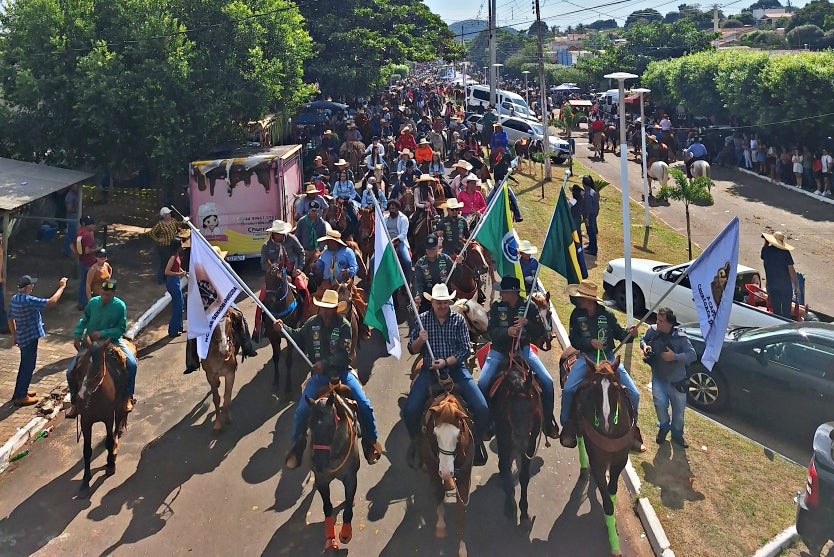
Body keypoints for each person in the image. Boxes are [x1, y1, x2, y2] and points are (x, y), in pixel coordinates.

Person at [274, 289, 382, 468]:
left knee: (364, 405)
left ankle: (370, 443)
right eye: (323, 307)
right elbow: (298, 338)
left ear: (335, 309)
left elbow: (343, 354)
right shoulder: (311, 323)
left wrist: (324, 364)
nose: (325, 311)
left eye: (329, 308)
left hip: (341, 374)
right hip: (319, 378)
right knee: (301, 411)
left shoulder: (344, 326)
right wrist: (282, 329)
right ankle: (296, 448)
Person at [403, 283, 489, 468]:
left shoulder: (458, 320)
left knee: (482, 408)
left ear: (449, 302)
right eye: (438, 302)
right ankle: (416, 442)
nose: (441, 305)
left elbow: (465, 349)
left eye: (444, 302)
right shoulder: (422, 320)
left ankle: (477, 442)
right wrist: (420, 340)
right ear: (432, 302)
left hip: (456, 370)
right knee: (409, 410)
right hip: (429, 371)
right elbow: (411, 347)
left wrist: (446, 362)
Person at [559, 280, 644, 452]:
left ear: (590, 300)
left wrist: (631, 334)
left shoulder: (607, 316)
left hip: (609, 358)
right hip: (587, 358)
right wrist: (589, 342)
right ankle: (567, 425)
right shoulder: (576, 315)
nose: (579, 300)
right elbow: (573, 339)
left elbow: (621, 334)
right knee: (568, 389)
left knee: (634, 394)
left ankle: (633, 431)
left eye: (581, 298)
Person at [477, 276, 559, 438]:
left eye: (504, 292)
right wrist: (506, 332)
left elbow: (541, 332)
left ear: (512, 292)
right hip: (499, 351)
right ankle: (486, 422)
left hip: (523, 349)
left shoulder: (530, 307)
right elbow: (490, 332)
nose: (501, 295)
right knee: (482, 383)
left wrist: (527, 322)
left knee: (548, 381)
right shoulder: (496, 307)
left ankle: (547, 422)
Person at [67, 279, 137, 416]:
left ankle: (128, 397)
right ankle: (75, 402)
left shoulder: (120, 306)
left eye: (108, 295)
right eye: (103, 294)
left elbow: (120, 328)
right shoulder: (93, 303)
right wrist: (77, 334)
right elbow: (84, 319)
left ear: (114, 294)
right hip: (91, 342)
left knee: (132, 364)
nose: (105, 297)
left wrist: (103, 333)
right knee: (70, 372)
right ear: (100, 291)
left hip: (112, 341)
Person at [640, 307, 696, 448]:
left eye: (661, 321)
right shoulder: (652, 331)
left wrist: (674, 357)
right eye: (657, 319)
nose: (657, 322)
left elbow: (692, 355)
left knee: (678, 413)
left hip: (677, 381)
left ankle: (677, 434)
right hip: (658, 378)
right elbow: (643, 339)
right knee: (660, 406)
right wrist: (645, 346)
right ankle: (663, 427)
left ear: (670, 323)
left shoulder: (681, 337)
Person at [8, 275, 68, 406]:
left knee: (25, 365)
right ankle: (21, 396)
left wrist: (14, 335)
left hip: (22, 336)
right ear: (27, 287)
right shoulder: (28, 300)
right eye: (31, 285)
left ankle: (20, 391)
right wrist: (62, 287)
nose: (33, 287)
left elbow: (10, 318)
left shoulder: (14, 299)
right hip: (30, 337)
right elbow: (51, 302)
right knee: (28, 366)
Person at [760, 230, 800, 318]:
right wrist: (796, 287)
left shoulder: (766, 251)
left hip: (772, 286)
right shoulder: (785, 253)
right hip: (785, 286)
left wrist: (766, 242)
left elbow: (763, 255)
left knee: (776, 311)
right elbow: (792, 271)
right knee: (786, 311)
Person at [412, 235, 455, 312]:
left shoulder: (446, 259)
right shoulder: (420, 264)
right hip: (428, 299)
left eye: (433, 249)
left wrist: (458, 265)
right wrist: (418, 296)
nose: (430, 251)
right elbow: (418, 283)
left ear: (438, 247)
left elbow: (456, 276)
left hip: (445, 297)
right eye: (428, 249)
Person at [147, 207, 182, 285]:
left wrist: (186, 220)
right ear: (163, 216)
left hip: (172, 245)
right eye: (167, 214)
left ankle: (167, 278)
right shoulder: (160, 224)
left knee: (172, 262)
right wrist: (158, 239)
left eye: (169, 214)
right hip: (164, 247)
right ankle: (160, 279)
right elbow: (151, 233)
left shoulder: (173, 221)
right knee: (164, 262)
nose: (169, 215)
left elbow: (179, 224)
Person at [382, 200, 412, 284]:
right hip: (386, 242)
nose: (392, 209)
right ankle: (373, 282)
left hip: (399, 242)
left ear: (398, 208)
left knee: (407, 261)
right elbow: (382, 231)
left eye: (394, 207)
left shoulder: (404, 218)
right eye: (390, 207)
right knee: (373, 260)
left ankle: (407, 283)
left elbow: (403, 234)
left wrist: (395, 240)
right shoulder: (385, 218)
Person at [73, 215, 98, 310]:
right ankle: (88, 302)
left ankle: (82, 302)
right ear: (85, 224)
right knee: (90, 283)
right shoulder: (87, 235)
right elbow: (87, 251)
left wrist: (78, 254)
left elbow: (72, 245)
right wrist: (97, 249)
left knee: (83, 283)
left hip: (82, 261)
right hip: (89, 262)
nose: (93, 226)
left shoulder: (79, 233)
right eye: (91, 224)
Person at [164, 239, 186, 338]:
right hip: (172, 282)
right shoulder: (172, 257)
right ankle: (173, 330)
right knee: (178, 305)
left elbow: (177, 267)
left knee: (180, 304)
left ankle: (179, 327)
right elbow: (167, 271)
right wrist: (179, 274)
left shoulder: (177, 255)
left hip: (176, 280)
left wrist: (183, 273)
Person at [581, 175, 600, 257]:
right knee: (590, 232)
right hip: (593, 215)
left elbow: (588, 207)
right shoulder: (592, 191)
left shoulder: (588, 194)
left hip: (590, 216)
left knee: (591, 233)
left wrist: (587, 218)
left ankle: (593, 249)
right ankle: (591, 247)